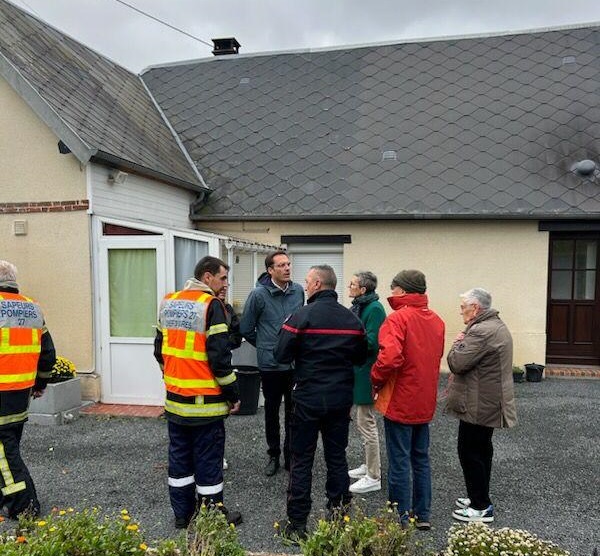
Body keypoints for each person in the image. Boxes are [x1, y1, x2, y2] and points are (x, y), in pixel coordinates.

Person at [275, 265, 367, 542]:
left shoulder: (301, 316)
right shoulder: (352, 320)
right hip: (340, 399)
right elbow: (361, 357)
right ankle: (339, 516)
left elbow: (280, 354)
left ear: (316, 284)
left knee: (301, 459)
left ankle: (297, 524)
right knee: (336, 457)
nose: (304, 285)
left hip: (307, 398)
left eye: (307, 281)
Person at [154, 256, 242, 529]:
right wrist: (233, 394)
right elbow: (219, 357)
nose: (225, 283)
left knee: (179, 461)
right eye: (223, 278)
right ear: (207, 277)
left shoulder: (169, 301)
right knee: (208, 461)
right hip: (206, 404)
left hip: (176, 401)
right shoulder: (211, 305)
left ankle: (183, 515)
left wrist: (172, 378)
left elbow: (159, 351)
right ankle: (213, 515)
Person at [371, 270, 445, 530]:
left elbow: (389, 358)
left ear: (402, 290)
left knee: (399, 460)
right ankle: (422, 514)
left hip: (400, 398)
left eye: (393, 289)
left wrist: (375, 379)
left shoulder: (397, 319)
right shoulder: (437, 320)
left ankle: (399, 516)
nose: (391, 294)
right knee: (420, 458)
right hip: (424, 399)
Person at [446, 287, 516, 523]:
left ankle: (480, 507)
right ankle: (478, 496)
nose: (461, 312)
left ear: (475, 308)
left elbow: (456, 362)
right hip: (488, 400)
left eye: (463, 307)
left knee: (470, 452)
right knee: (482, 450)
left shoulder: (480, 332)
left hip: (479, 403)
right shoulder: (495, 325)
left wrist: (457, 343)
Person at [240, 250, 304, 477]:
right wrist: (268, 346)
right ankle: (273, 455)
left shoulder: (298, 291)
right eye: (282, 265)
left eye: (288, 264)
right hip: (271, 365)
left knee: (293, 412)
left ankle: (290, 455)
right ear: (270, 270)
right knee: (271, 411)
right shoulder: (258, 295)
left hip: (295, 364)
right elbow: (246, 328)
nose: (287, 268)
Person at [0, 259, 56, 518]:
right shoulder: (32, 308)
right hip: (21, 393)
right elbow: (48, 354)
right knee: (8, 448)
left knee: (6, 456)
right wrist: (40, 383)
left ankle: (25, 504)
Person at [347, 271, 386, 494]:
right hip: (360, 370)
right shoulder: (365, 306)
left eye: (352, 284)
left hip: (366, 372)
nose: (349, 287)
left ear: (363, 289)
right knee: (363, 422)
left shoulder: (374, 309)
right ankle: (369, 465)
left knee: (366, 423)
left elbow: (372, 341)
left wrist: (348, 340)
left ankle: (373, 475)